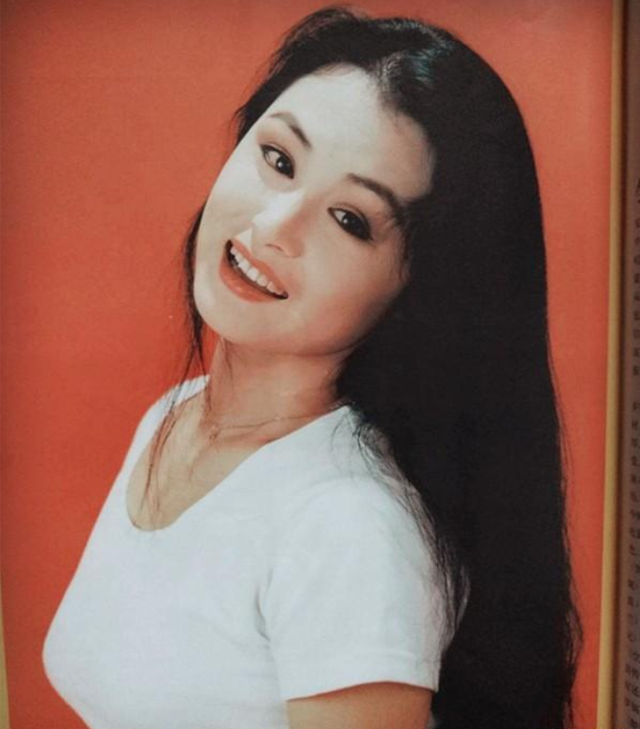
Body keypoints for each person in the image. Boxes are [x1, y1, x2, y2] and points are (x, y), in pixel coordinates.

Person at [42, 5, 583, 729]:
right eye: (279, 159)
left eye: (350, 220)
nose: (272, 226)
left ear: (419, 290)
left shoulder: (349, 527)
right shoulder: (174, 415)